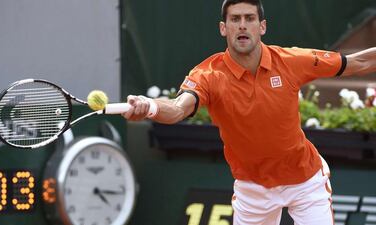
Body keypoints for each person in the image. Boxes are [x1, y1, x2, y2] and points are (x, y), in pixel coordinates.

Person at [122, 0, 376, 224]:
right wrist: (151, 107)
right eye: (235, 19)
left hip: (305, 181)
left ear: (261, 26)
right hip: (252, 189)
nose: (242, 25)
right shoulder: (208, 76)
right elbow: (178, 109)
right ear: (224, 28)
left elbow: (358, 62)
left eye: (249, 18)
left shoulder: (291, 61)